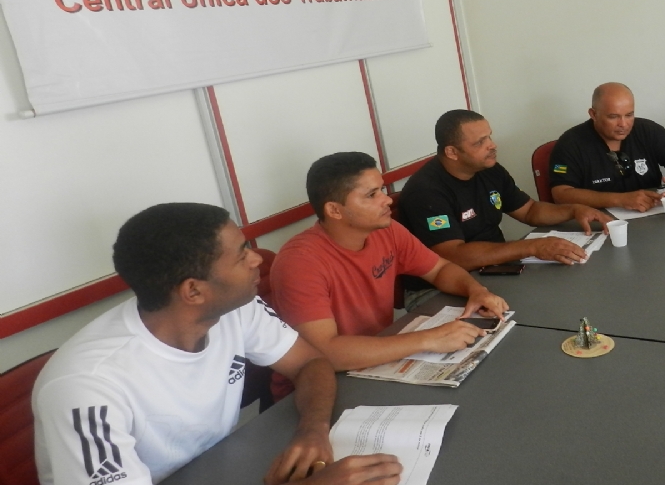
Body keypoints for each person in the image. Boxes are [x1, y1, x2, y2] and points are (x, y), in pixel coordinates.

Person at [32, 203, 402, 485]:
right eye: (242, 255)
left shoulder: (235, 308)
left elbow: (309, 363)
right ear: (193, 291)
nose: (257, 259)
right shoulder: (86, 386)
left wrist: (313, 430)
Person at [270, 152, 509, 372]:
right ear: (334, 210)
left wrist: (476, 291)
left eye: (382, 190)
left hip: (379, 357)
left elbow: (439, 269)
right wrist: (429, 339)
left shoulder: (386, 230)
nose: (387, 200)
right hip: (325, 379)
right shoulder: (300, 263)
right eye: (371, 195)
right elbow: (324, 353)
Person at [397, 110, 612, 270]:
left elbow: (529, 210)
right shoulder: (426, 192)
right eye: (480, 142)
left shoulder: (488, 169)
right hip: (440, 287)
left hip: (494, 268)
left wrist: (574, 210)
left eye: (489, 136)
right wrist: (532, 247)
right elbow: (453, 256)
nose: (492, 145)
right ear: (452, 152)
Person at [548, 82, 665, 212]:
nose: (623, 124)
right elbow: (561, 194)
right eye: (613, 117)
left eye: (629, 115)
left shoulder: (648, 131)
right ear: (593, 114)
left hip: (652, 220)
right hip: (601, 225)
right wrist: (620, 200)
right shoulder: (571, 143)